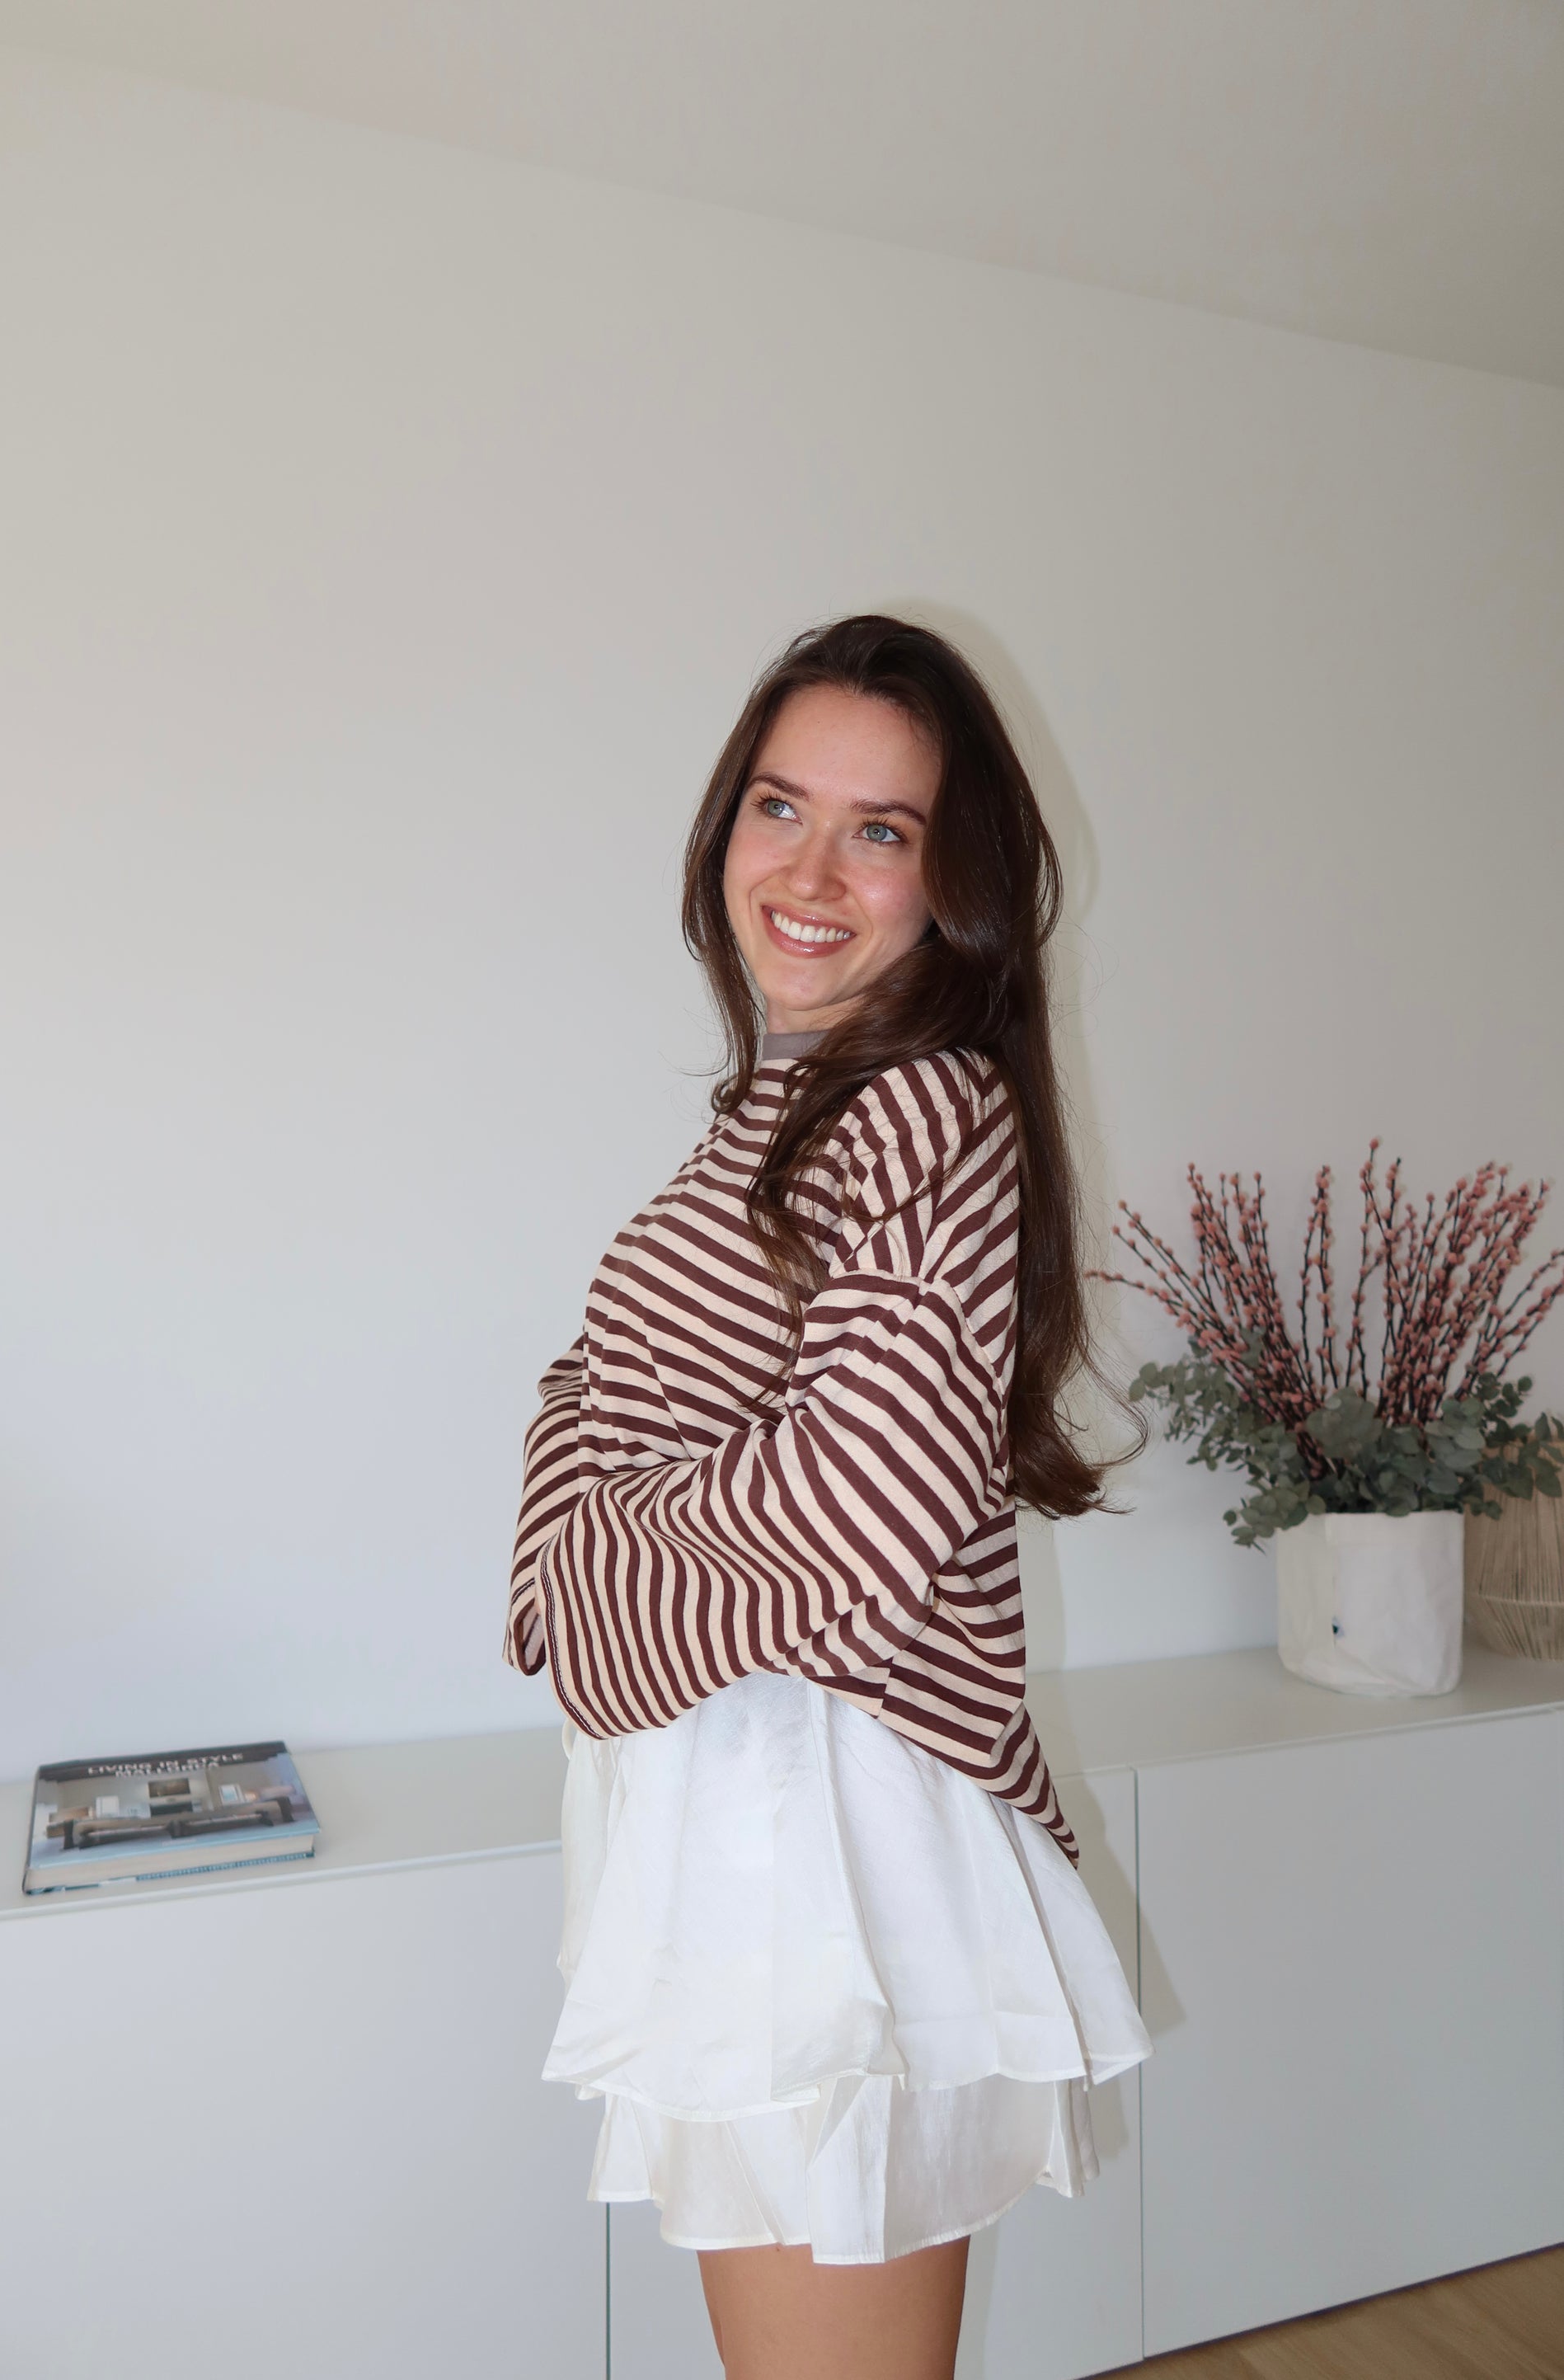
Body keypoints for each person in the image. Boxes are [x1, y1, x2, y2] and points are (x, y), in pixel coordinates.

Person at [504, 614, 1152, 2380]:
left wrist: (588, 1562)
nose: (806, 871)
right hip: (746, 1793)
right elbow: (577, 1399)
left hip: (817, 1834)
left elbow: (852, 1511)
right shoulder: (780, 1108)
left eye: (880, 828)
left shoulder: (924, 1107)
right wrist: (592, 1507)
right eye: (779, 805)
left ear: (955, 882)